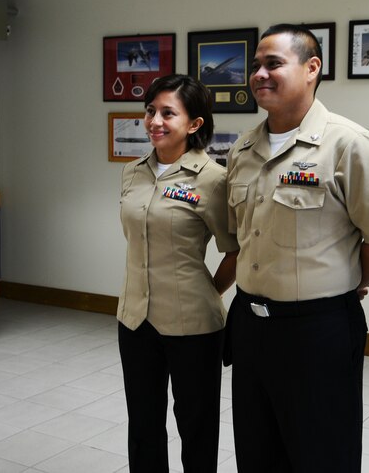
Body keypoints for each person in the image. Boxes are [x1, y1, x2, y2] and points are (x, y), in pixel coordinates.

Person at [226, 24, 369, 472]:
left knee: (322, 453)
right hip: (250, 325)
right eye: (255, 66)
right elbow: (240, 236)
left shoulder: (349, 144)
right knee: (256, 451)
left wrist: (346, 281)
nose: (259, 75)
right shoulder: (243, 149)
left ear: (312, 68)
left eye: (273, 64)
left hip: (316, 330)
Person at [117, 74, 238, 472]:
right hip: (136, 320)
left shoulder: (213, 180)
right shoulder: (133, 172)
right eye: (150, 111)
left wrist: (208, 289)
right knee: (144, 424)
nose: (155, 121)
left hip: (194, 326)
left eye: (168, 113)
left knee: (196, 426)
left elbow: (235, 250)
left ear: (194, 124)